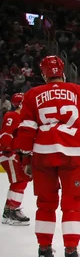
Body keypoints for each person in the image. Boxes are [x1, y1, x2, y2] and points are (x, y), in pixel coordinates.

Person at [12, 55, 80, 257]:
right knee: (72, 203)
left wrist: (25, 158)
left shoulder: (32, 94)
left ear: (44, 75)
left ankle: (44, 248)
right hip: (73, 153)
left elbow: (26, 129)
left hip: (42, 154)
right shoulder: (79, 91)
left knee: (45, 203)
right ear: (62, 72)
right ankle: (71, 251)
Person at [0, 93, 31, 226]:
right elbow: (6, 132)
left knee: (21, 180)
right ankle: (11, 211)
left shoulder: (22, 118)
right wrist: (7, 147)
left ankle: (10, 210)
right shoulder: (13, 115)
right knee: (19, 180)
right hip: (9, 154)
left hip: (14, 153)